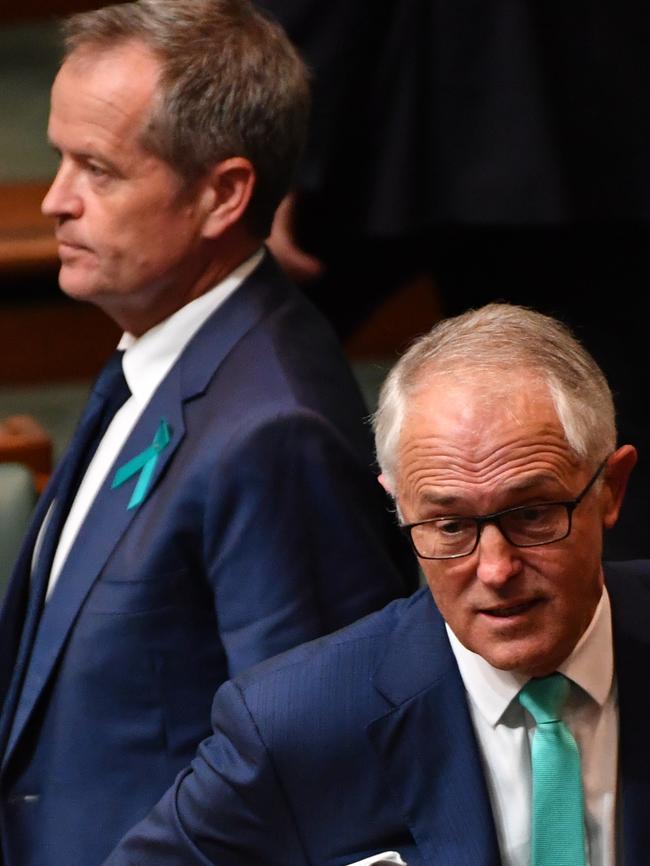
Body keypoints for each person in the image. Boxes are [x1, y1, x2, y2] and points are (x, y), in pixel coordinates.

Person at [0, 3, 417, 865]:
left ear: (222, 194)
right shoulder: (166, 351)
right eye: (57, 158)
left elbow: (311, 773)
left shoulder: (274, 428)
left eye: (98, 169)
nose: (55, 201)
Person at [103, 303, 642, 866]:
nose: (495, 569)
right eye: (450, 526)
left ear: (611, 488)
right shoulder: (293, 724)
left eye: (532, 515)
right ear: (398, 502)